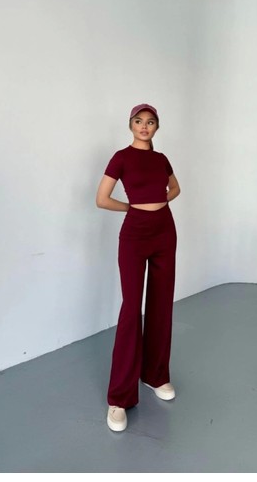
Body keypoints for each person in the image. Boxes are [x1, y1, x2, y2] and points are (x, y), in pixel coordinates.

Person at [96, 103, 181, 432]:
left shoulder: (161, 159)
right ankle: (119, 397)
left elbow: (175, 188)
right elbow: (102, 199)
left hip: (165, 231)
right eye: (138, 121)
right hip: (135, 234)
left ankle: (155, 375)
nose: (144, 126)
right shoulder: (121, 157)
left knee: (161, 303)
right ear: (130, 125)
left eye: (150, 122)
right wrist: (134, 208)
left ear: (157, 127)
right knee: (132, 309)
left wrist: (159, 203)